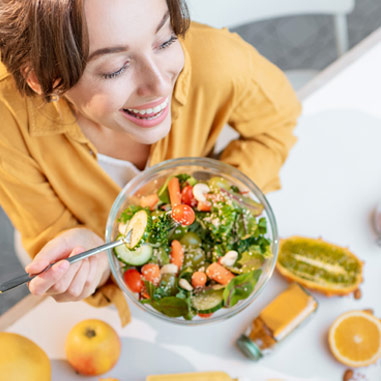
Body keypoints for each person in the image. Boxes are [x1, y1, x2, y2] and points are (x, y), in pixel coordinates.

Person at [0, 0, 301, 324]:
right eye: (116, 68)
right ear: (46, 80)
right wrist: (94, 259)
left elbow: (275, 127)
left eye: (166, 39)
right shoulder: (8, 126)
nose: (160, 85)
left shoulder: (220, 61)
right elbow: (54, 233)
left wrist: (216, 197)